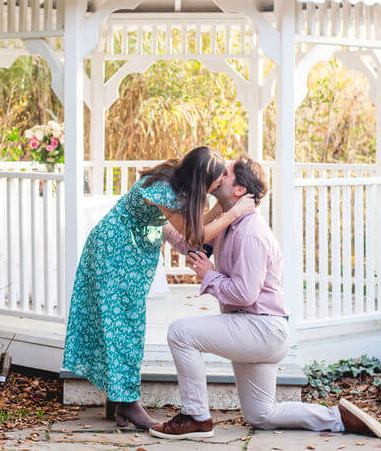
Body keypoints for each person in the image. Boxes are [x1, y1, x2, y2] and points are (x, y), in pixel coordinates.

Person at [150, 156, 381, 441]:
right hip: (256, 328)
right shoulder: (230, 225)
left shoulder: (251, 233)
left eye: (225, 173)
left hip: (261, 329)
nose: (217, 173)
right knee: (261, 415)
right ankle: (339, 419)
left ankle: (195, 416)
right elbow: (190, 241)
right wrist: (154, 219)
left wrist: (210, 273)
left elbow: (244, 294)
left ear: (239, 190)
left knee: (180, 333)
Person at [62, 146, 255, 430]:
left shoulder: (178, 182)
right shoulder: (165, 188)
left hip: (127, 250)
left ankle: (117, 400)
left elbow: (189, 226)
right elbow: (196, 234)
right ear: (201, 179)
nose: (217, 187)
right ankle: (128, 404)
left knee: (121, 322)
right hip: (116, 249)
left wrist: (217, 210)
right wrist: (235, 211)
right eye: (214, 184)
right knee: (124, 324)